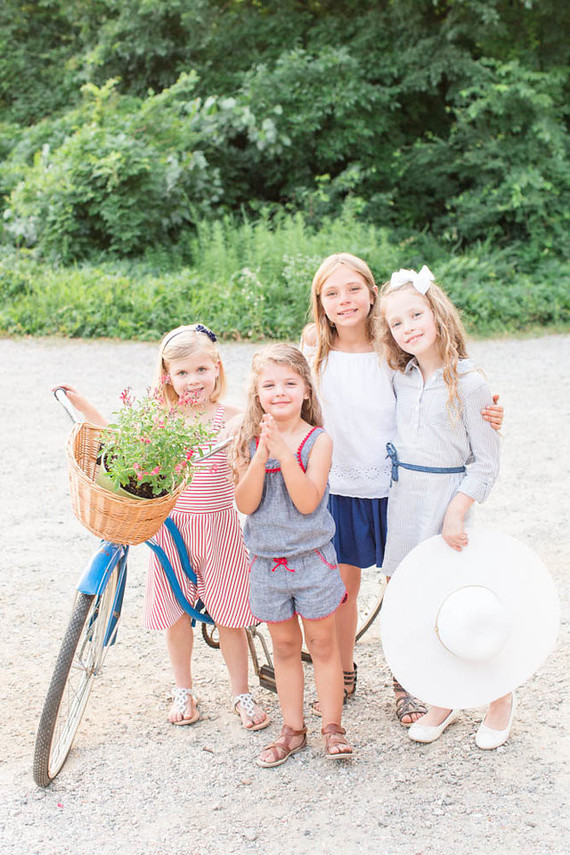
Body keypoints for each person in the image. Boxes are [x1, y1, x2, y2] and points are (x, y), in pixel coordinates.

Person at [301, 253, 504, 725]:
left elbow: (446, 388)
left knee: (405, 588)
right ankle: (344, 672)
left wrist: (493, 407)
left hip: (398, 484)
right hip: (341, 485)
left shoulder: (393, 350)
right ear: (319, 303)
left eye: (354, 289)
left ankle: (408, 681)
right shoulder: (314, 351)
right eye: (331, 292)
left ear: (372, 294)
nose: (344, 300)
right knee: (343, 589)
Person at [58, 323, 269, 732]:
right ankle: (184, 689)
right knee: (175, 614)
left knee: (229, 615)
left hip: (219, 528)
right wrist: (86, 408)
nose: (193, 381)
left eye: (201, 370)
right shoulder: (161, 418)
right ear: (166, 376)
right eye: (183, 373)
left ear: (217, 369)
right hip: (170, 527)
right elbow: (120, 443)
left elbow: (261, 443)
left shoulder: (233, 418)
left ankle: (241, 692)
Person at [378, 266, 513, 748]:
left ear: (437, 313)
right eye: (397, 323)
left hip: (443, 501)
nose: (408, 327)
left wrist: (457, 511)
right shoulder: (402, 376)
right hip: (404, 500)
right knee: (416, 605)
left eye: (416, 314)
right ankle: (443, 698)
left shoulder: (470, 381)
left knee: (461, 604)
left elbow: (485, 463)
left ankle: (499, 696)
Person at [232, 343, 353, 766]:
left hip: (312, 561)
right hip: (267, 565)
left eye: (289, 383)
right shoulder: (249, 441)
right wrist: (262, 454)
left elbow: (307, 501)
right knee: (283, 647)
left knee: (322, 643)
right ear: (257, 393)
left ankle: (332, 727)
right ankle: (293, 729)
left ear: (306, 391)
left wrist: (284, 455)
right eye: (269, 385)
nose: (279, 391)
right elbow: (245, 504)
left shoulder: (317, 441)